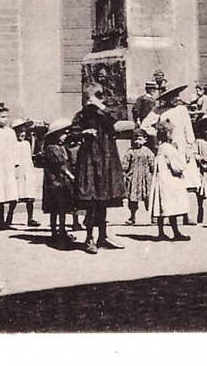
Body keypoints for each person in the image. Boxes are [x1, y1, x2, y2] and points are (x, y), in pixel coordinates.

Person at [72, 82, 126, 254]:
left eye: (91, 98)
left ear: (100, 96)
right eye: (87, 98)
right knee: (91, 199)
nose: (88, 102)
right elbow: (72, 132)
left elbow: (115, 121)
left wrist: (100, 106)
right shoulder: (82, 114)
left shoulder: (107, 110)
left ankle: (103, 236)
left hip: (107, 157)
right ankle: (89, 238)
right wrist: (83, 133)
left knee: (104, 198)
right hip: (89, 159)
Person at [143, 81, 200, 220]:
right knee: (169, 181)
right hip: (167, 147)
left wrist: (190, 147)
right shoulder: (158, 111)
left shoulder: (182, 110)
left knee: (186, 182)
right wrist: (158, 133)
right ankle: (164, 213)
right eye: (173, 96)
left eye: (177, 95)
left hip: (182, 147)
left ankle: (186, 215)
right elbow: (145, 126)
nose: (176, 98)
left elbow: (188, 129)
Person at [149, 120, 191, 241]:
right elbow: (177, 166)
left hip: (161, 180)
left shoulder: (160, 148)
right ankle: (176, 232)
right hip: (170, 181)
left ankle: (161, 232)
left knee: (162, 206)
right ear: (168, 134)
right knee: (172, 206)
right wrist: (183, 161)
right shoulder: (168, 148)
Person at [41, 117, 77, 247]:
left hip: (62, 182)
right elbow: (60, 165)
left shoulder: (63, 147)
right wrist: (70, 175)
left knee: (62, 208)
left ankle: (62, 230)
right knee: (55, 209)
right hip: (55, 182)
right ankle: (54, 232)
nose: (65, 136)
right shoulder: (52, 148)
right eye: (63, 133)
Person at [122, 128, 154, 224]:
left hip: (146, 179)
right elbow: (125, 164)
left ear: (145, 140)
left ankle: (154, 216)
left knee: (148, 198)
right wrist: (124, 172)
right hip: (133, 178)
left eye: (140, 139)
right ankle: (132, 216)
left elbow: (152, 164)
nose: (137, 141)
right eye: (135, 139)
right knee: (132, 199)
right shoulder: (130, 152)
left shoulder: (148, 152)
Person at [12, 118, 40, 228]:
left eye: (23, 131)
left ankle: (30, 218)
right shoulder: (13, 144)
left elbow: (29, 157)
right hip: (18, 170)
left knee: (30, 196)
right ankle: (9, 217)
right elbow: (14, 158)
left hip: (28, 170)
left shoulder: (27, 143)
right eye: (19, 132)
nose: (22, 134)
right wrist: (16, 169)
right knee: (15, 196)